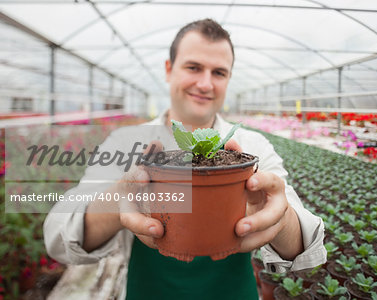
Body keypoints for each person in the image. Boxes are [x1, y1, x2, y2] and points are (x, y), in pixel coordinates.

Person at [44, 19, 326, 300]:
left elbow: (307, 248)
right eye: (193, 67)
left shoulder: (250, 148)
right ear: (169, 69)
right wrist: (121, 195)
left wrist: (280, 217)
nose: (205, 83)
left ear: (228, 79)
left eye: (218, 72)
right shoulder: (127, 143)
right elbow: (58, 237)